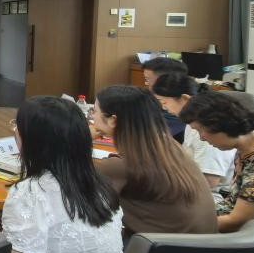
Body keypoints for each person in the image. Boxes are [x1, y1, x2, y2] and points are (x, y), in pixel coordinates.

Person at [2, 96, 124, 253]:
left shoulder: (31, 192)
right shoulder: (101, 186)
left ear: (33, 139)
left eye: (18, 126)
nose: (15, 131)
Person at [90, 85, 216, 234]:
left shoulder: (122, 166)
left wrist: (80, 137)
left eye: (95, 111)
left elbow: (76, 186)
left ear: (113, 120)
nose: (92, 116)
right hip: (202, 243)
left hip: (164, 246)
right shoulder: (167, 145)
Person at [180, 91, 254, 232]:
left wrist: (179, 226)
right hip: (221, 217)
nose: (201, 138)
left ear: (221, 124)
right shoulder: (249, 148)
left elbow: (236, 222)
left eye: (201, 130)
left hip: (233, 237)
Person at [150, 72, 235, 188]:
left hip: (206, 192)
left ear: (185, 98)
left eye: (164, 102)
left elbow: (209, 181)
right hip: (188, 183)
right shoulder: (191, 121)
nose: (164, 108)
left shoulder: (206, 128)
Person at [141, 56, 188, 141]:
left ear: (165, 80)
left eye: (148, 79)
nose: (146, 83)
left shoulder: (178, 106)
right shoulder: (153, 96)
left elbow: (152, 134)